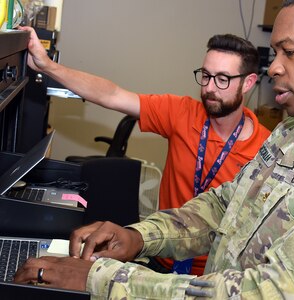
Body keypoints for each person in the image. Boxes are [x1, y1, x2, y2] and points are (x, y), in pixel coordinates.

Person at [15, 0, 294, 299]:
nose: (274, 67)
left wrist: (100, 280)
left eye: (290, 51)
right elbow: (225, 207)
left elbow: (279, 294)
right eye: (276, 52)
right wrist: (140, 237)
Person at [19, 26, 271, 275]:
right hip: (159, 256)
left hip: (215, 275)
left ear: (248, 82)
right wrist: (48, 66)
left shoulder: (267, 151)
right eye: (205, 75)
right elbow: (112, 95)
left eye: (223, 79)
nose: (210, 88)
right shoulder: (183, 113)